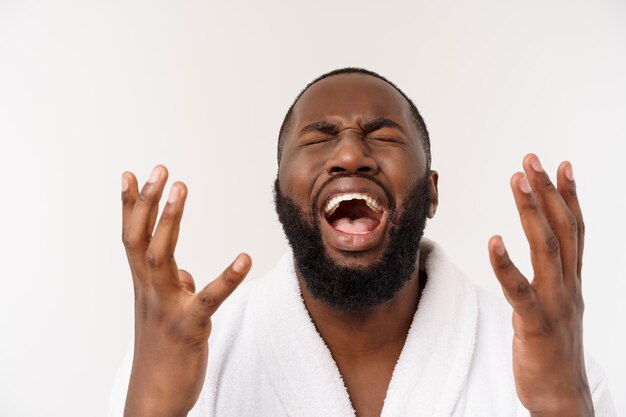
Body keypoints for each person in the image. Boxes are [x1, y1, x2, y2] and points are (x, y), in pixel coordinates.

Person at [111, 68, 615, 417]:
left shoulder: (543, 355)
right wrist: (151, 408)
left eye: (384, 135)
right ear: (280, 191)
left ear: (432, 192)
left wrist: (560, 402)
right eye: (317, 138)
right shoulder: (188, 359)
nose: (351, 154)